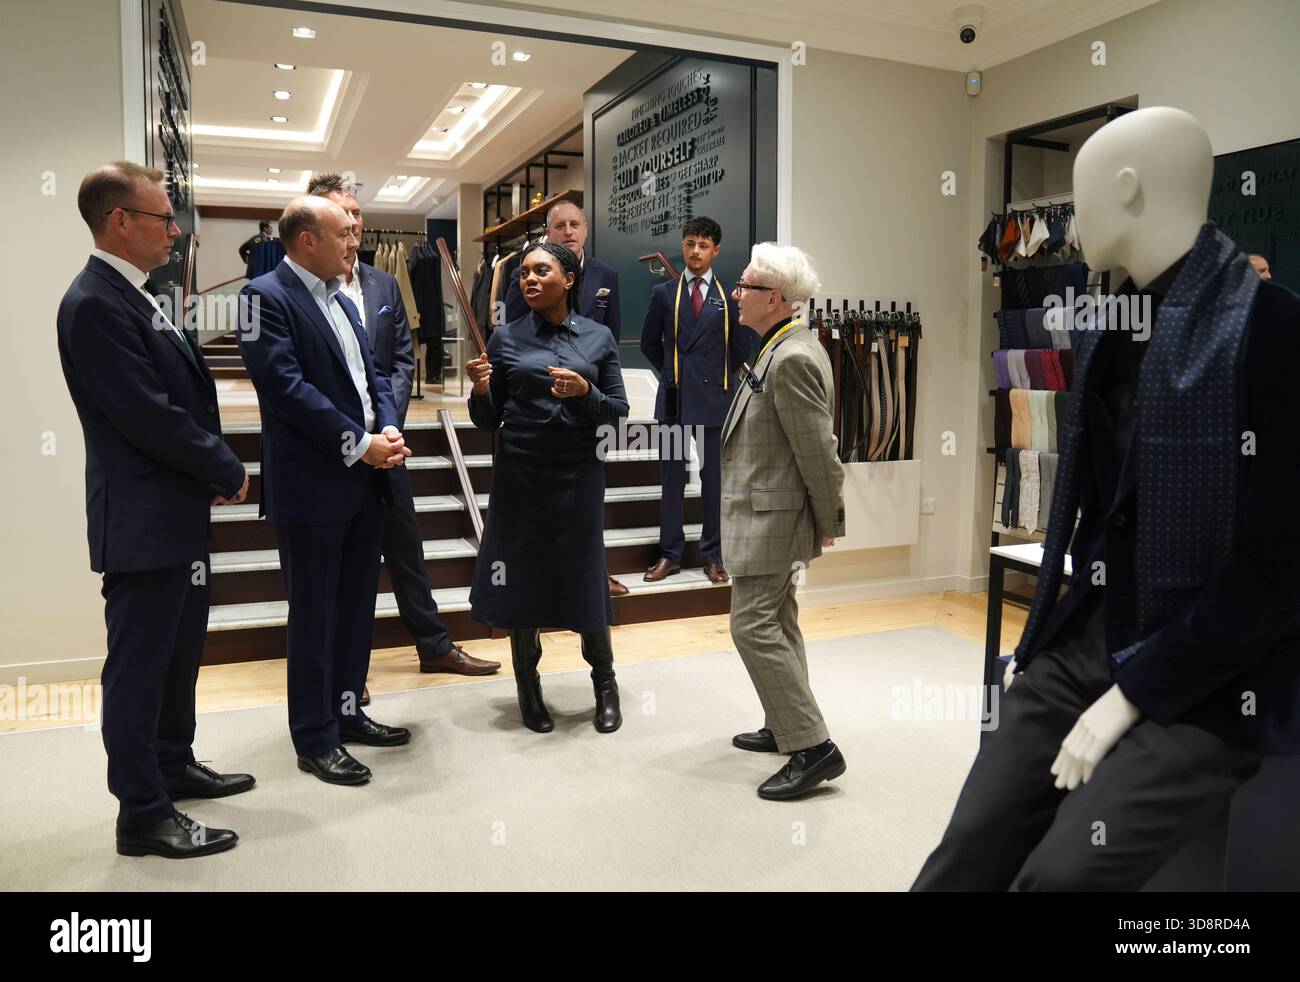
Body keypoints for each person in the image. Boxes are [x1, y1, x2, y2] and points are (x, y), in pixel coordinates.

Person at [914, 107, 1300, 891]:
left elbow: (1276, 569)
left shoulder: (1274, 333)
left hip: (1220, 666)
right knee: (968, 850)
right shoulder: (1106, 327)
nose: (1068, 214)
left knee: (1059, 878)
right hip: (1093, 627)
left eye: (1081, 187)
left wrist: (1134, 695)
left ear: (1125, 189)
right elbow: (1104, 514)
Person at [58, 161, 254, 859]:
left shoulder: (135, 294)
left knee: (177, 655)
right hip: (142, 520)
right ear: (119, 222)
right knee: (139, 667)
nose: (173, 230)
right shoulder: (94, 303)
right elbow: (149, 415)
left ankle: (174, 763)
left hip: (174, 513)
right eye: (161, 218)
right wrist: (222, 465)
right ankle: (141, 811)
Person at [238, 196, 413, 787]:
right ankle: (314, 739)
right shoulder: (261, 297)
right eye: (343, 233)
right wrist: (358, 443)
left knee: (355, 607)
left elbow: (375, 377)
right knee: (315, 615)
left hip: (365, 480)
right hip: (312, 485)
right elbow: (284, 389)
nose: (353, 243)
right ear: (306, 239)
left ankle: (346, 713)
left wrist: (387, 426)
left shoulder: (343, 299)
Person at [307, 173, 499, 682]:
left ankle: (433, 645)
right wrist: (356, 437)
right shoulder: (303, 290)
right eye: (340, 212)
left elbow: (398, 363)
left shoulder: (383, 283)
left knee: (407, 547)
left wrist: (388, 425)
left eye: (356, 212)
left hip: (387, 445)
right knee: (340, 568)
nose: (352, 222)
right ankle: (344, 674)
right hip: (334, 451)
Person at [466, 243, 630, 734]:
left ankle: (605, 682)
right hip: (521, 478)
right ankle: (528, 687)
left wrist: (586, 392)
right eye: (523, 273)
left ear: (570, 279)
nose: (528, 280)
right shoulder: (505, 338)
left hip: (578, 476)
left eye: (542, 271)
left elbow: (618, 412)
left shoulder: (599, 337)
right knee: (522, 583)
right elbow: (487, 419)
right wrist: (478, 389)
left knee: (585, 577)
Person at [722, 242, 847, 801]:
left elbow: (819, 452)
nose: (735, 293)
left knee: (752, 627)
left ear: (773, 298)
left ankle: (813, 746)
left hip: (773, 520)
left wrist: (830, 519)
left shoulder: (792, 357)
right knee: (780, 621)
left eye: (745, 286)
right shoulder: (781, 347)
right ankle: (784, 723)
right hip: (767, 515)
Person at [501, 204, 630, 597]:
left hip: (589, 410)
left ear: (586, 231)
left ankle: (594, 574)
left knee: (586, 513)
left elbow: (612, 334)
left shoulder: (607, 275)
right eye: (560, 225)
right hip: (537, 411)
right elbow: (514, 329)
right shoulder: (526, 275)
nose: (569, 231)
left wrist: (592, 382)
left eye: (575, 225)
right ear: (549, 232)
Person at [640, 216, 751, 584]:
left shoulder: (729, 298)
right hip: (673, 400)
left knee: (713, 480)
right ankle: (669, 553)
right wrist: (674, 376)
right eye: (689, 244)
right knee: (672, 478)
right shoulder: (664, 294)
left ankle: (713, 555)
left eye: (703, 245)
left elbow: (739, 349)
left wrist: (711, 380)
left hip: (715, 401)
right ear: (683, 245)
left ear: (715, 250)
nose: (695, 251)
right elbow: (648, 345)